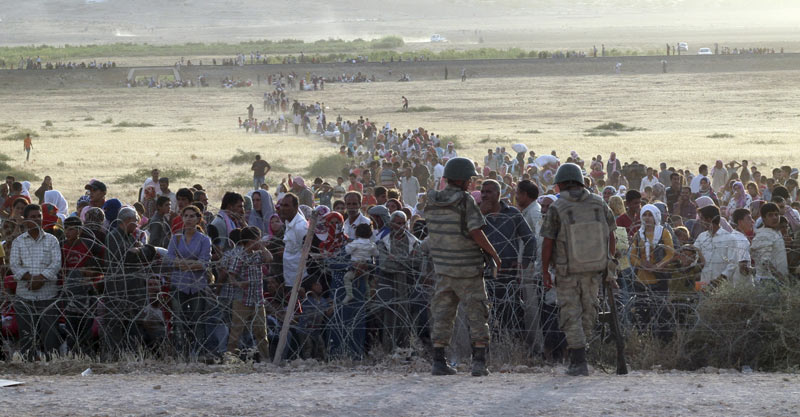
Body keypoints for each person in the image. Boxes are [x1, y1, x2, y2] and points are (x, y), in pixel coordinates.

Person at [424, 157, 500, 377]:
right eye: (469, 179)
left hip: (443, 267)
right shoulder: (465, 200)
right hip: (467, 269)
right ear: (461, 179)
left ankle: (438, 361)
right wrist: (493, 254)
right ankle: (478, 363)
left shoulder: (431, 199)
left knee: (442, 314)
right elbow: (476, 231)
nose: (470, 183)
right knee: (477, 313)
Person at [540, 163, 616, 376]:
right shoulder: (599, 203)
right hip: (594, 269)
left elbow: (548, 241)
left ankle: (578, 359)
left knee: (570, 314)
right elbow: (611, 233)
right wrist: (608, 261)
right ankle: (582, 353)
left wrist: (545, 270)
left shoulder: (558, 206)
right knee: (588, 312)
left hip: (567, 271)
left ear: (562, 184)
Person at [10, 204, 62, 361]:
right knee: (27, 333)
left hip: (47, 294)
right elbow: (14, 265)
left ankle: (51, 363)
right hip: (25, 294)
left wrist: (41, 279)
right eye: (33, 217)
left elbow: (56, 263)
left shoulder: (52, 240)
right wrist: (31, 279)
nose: (37, 219)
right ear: (25, 220)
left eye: (38, 216)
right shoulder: (18, 242)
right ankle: (28, 363)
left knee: (50, 332)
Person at [167, 205, 214, 359]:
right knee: (179, 322)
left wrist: (182, 263)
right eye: (185, 216)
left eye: (192, 216)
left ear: (198, 219)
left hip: (197, 286)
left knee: (197, 321)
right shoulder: (176, 238)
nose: (188, 219)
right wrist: (191, 263)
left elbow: (204, 263)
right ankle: (181, 354)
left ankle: (198, 353)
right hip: (178, 284)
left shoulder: (204, 240)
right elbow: (169, 260)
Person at [225, 226, 273, 362]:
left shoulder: (258, 255)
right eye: (258, 239)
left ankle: (265, 359)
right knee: (236, 331)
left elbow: (269, 259)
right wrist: (240, 284)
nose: (260, 241)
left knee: (261, 332)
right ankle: (230, 359)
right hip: (242, 300)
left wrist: (262, 247)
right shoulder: (240, 257)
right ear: (250, 241)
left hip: (258, 299)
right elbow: (231, 276)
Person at [751, 203, 789, 283]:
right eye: (770, 215)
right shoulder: (763, 235)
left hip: (776, 280)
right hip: (768, 280)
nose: (774, 218)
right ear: (763, 218)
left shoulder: (775, 232)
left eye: (776, 214)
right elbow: (765, 261)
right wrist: (780, 277)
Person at [342, 223, 377, 304]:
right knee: (366, 282)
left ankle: (349, 294)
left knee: (346, 278)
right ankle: (368, 297)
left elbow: (347, 251)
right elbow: (376, 254)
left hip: (355, 266)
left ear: (356, 233)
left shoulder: (355, 243)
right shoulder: (372, 244)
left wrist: (347, 244)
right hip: (366, 267)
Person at [279, 193, 308, 288]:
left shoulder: (300, 227)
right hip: (290, 280)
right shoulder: (288, 223)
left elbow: (308, 254)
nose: (282, 208)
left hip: (300, 282)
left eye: (286, 205)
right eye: (282, 205)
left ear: (296, 207)